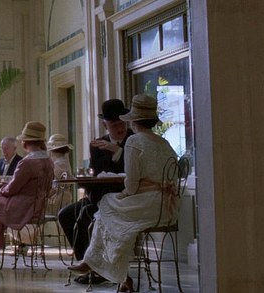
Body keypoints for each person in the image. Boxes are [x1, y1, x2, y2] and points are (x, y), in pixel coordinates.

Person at [69, 95, 180, 292]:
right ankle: (113, 273)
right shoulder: (164, 143)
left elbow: (132, 185)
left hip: (147, 205)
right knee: (110, 216)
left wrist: (125, 194)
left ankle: (97, 263)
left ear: (133, 121)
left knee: (106, 206)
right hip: (167, 207)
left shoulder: (134, 142)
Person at [57, 98, 132, 285]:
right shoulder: (98, 145)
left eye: (122, 123)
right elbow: (95, 173)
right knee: (66, 214)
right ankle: (89, 264)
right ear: (105, 125)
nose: (120, 128)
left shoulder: (133, 141)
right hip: (98, 196)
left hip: (124, 199)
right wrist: (87, 186)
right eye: (114, 124)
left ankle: (100, 268)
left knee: (86, 215)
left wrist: (117, 152)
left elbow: (134, 173)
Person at [0, 121, 54, 270]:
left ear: (25, 142)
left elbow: (12, 188)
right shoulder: (48, 162)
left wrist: (0, 192)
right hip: (38, 208)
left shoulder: (27, 163)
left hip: (20, 209)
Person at [46, 133, 74, 215]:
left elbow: (55, 187)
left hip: (57, 200)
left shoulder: (58, 165)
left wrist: (44, 196)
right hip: (66, 197)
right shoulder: (64, 162)